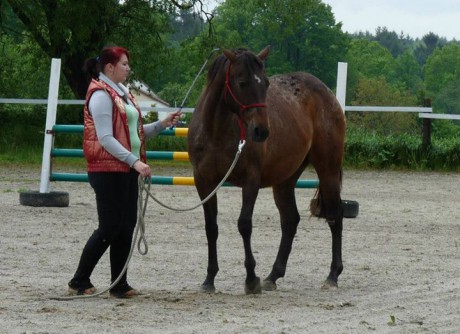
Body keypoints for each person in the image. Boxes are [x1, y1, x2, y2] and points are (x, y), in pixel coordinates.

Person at [68, 46, 182, 298]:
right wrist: (136, 162)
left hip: (125, 169)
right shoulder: (100, 95)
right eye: (124, 64)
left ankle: (119, 284)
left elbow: (136, 132)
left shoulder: (123, 94)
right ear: (109, 67)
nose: (128, 69)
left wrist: (162, 124)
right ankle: (80, 280)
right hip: (107, 170)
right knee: (109, 227)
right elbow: (106, 139)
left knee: (126, 226)